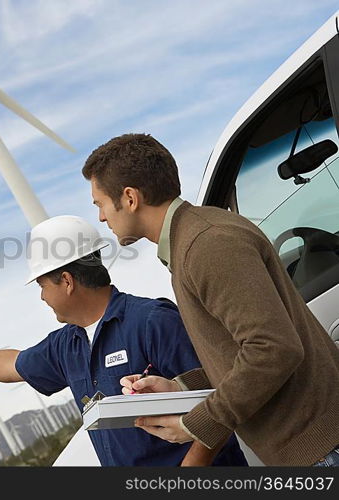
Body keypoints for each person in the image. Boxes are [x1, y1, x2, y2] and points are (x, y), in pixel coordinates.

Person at [81, 133, 339, 466]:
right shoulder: (193, 242)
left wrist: (197, 424)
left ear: (129, 198)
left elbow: (273, 350)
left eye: (100, 204)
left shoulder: (206, 244)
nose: (102, 217)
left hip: (323, 450)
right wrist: (178, 389)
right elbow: (240, 354)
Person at [0, 215, 246, 466]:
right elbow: (11, 365)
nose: (41, 297)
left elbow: (217, 401)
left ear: (66, 280)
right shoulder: (66, 345)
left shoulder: (153, 321)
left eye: (42, 285)